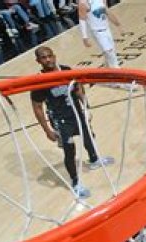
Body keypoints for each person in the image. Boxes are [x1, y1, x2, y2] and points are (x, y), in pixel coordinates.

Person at [30, 46, 114, 199]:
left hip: (76, 113)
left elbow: (79, 88)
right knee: (69, 150)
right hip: (60, 119)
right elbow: (37, 107)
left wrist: (86, 107)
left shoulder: (66, 70)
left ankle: (94, 159)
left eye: (49, 56)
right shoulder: (39, 80)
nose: (48, 59)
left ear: (54, 56)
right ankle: (75, 182)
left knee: (89, 136)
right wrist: (47, 130)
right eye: (43, 57)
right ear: (38, 61)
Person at [78, 0, 121, 68]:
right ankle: (117, 69)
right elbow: (82, 20)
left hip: (106, 28)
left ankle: (108, 70)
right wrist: (85, 37)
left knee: (110, 52)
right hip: (97, 31)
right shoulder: (83, 2)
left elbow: (106, 11)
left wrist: (117, 23)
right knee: (109, 52)